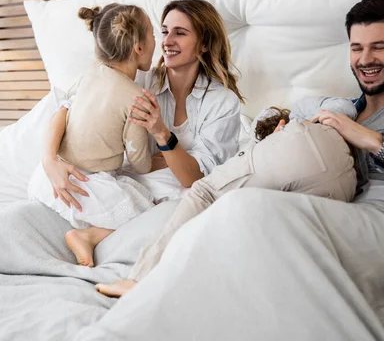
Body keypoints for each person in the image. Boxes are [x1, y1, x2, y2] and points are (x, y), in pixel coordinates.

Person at [94, 0, 384, 336]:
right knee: (239, 219)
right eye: (356, 48)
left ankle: (140, 294)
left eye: (378, 47)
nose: (365, 59)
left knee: (231, 205)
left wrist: (372, 141)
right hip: (340, 206)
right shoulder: (346, 108)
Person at [41, 0, 245, 267]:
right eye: (163, 31)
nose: (167, 41)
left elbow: (194, 177)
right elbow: (67, 107)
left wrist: (161, 132)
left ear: (204, 44)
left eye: (180, 33)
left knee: (187, 203)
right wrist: (50, 161)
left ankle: (93, 236)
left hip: (173, 185)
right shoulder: (141, 77)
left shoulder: (222, 103)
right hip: (120, 177)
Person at [95, 96, 360, 296]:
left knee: (204, 192)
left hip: (308, 144)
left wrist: (312, 121)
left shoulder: (298, 120)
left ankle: (139, 279)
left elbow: (344, 107)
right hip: (348, 184)